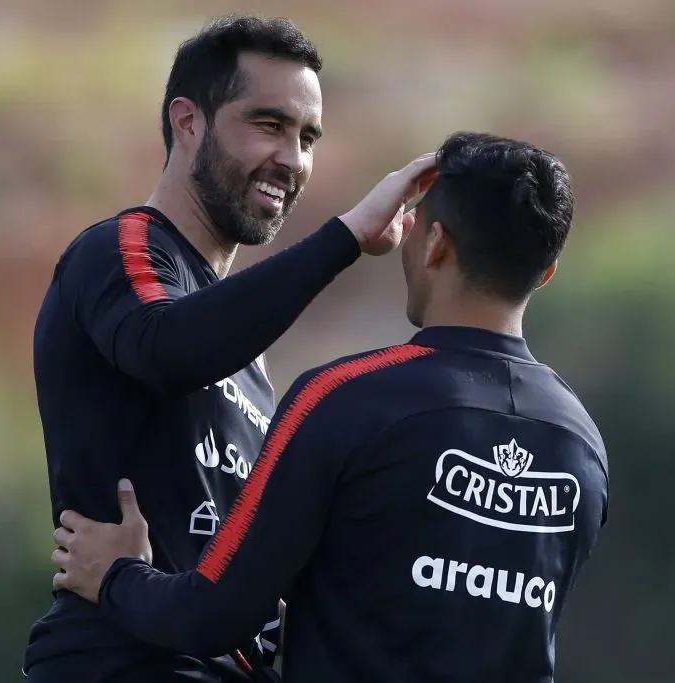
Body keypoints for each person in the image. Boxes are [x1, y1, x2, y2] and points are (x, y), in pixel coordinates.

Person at [50, 132, 610, 683]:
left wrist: (116, 575)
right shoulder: (582, 445)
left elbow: (211, 616)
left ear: (437, 243)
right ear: (546, 273)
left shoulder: (345, 399)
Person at [23, 14, 437, 683]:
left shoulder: (241, 345)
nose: (293, 159)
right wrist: (345, 237)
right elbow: (167, 348)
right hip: (122, 661)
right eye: (269, 125)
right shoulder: (121, 249)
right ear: (187, 122)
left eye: (307, 137)